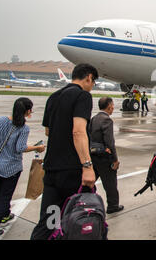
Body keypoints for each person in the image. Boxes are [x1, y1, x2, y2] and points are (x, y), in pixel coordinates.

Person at [30, 63, 98, 240]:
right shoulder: (82, 96)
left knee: (48, 222)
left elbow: (47, 130)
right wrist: (87, 166)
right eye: (93, 82)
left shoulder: (54, 97)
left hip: (52, 168)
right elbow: (78, 131)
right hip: (71, 170)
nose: (92, 86)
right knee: (77, 219)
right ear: (89, 77)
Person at [0, 98, 45, 239]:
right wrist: (37, 147)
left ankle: (5, 215)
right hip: (11, 169)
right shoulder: (23, 128)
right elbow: (20, 148)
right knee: (5, 197)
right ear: (27, 111)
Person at [89, 97, 123, 214]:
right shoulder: (106, 120)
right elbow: (110, 142)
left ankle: (85, 200)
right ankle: (113, 206)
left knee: (91, 181)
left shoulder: (94, 118)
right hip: (104, 156)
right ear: (109, 106)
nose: (113, 107)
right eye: (112, 105)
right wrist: (115, 159)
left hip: (93, 154)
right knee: (110, 183)